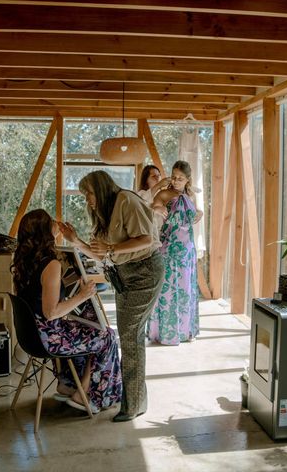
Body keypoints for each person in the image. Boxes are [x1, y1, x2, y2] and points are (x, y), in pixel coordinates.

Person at [58, 171, 164, 422]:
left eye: (89, 194)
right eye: (85, 195)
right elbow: (102, 255)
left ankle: (133, 405)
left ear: (102, 189)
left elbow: (147, 239)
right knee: (131, 336)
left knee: (130, 337)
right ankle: (134, 400)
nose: (87, 200)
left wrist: (112, 248)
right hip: (124, 275)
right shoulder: (105, 213)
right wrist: (76, 241)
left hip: (144, 272)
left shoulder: (126, 201)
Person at [11, 209, 122, 414]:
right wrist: (82, 296)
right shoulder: (50, 264)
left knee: (76, 326)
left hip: (31, 335)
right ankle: (84, 394)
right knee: (107, 336)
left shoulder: (22, 260)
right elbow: (51, 313)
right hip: (48, 339)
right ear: (45, 230)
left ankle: (67, 384)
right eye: (52, 221)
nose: (56, 223)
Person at [147, 160, 202, 345]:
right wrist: (158, 207)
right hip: (169, 247)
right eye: (174, 177)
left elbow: (191, 215)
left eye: (181, 178)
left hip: (187, 250)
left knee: (185, 289)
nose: (176, 181)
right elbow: (153, 205)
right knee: (167, 290)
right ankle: (165, 333)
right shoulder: (165, 193)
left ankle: (184, 331)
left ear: (187, 180)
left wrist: (199, 213)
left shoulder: (189, 196)